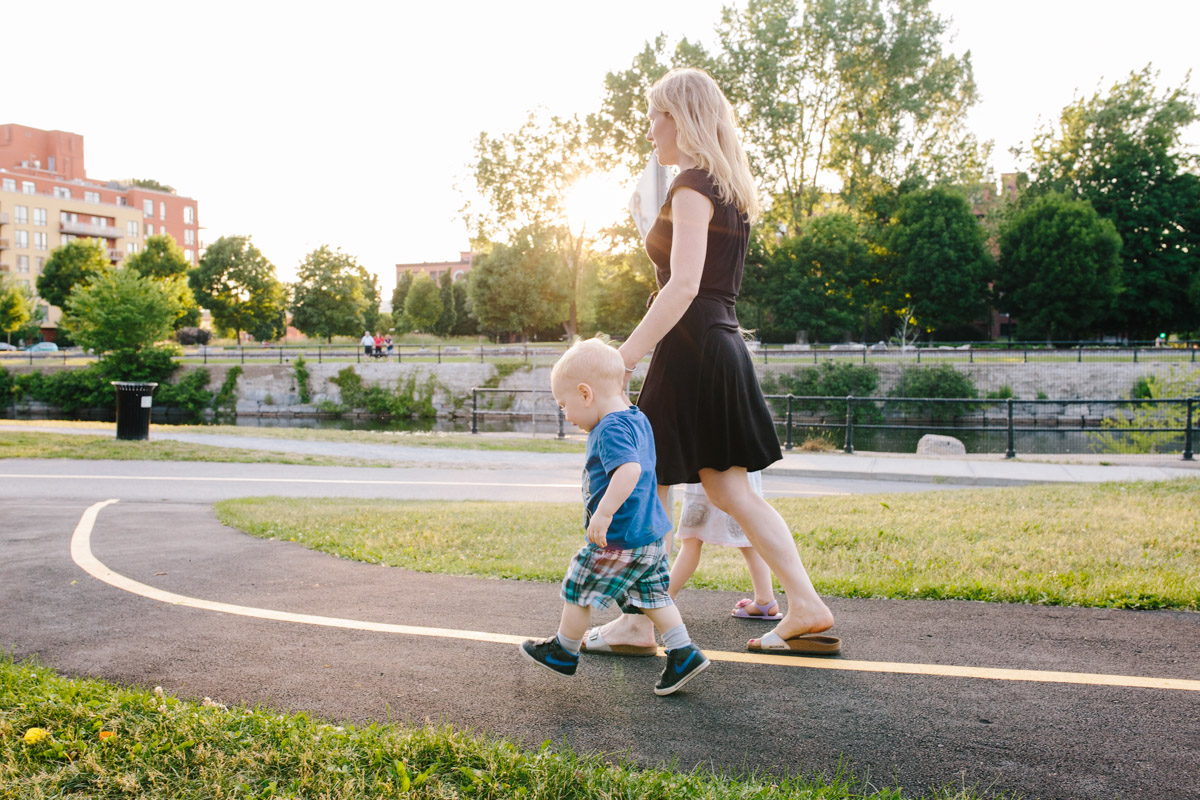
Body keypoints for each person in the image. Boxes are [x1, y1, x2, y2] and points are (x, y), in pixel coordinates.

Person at [585, 67, 840, 657]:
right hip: (714, 342)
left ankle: (637, 623)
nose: (650, 129)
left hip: (692, 346)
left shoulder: (693, 187)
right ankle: (804, 605)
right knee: (727, 491)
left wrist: (621, 358)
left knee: (649, 486)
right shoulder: (722, 186)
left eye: (656, 116)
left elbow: (682, 287)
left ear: (682, 117)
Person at [519, 337, 711, 695]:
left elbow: (629, 471)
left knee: (578, 584)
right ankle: (683, 651)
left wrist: (604, 513)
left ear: (585, 393)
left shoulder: (608, 428)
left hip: (620, 537)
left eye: (565, 405)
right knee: (653, 597)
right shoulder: (636, 418)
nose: (566, 414)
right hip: (651, 534)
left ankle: (565, 649)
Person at [670, 472, 782, 621]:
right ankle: (765, 599)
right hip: (743, 466)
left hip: (712, 465)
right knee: (749, 536)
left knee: (692, 539)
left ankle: (664, 598)